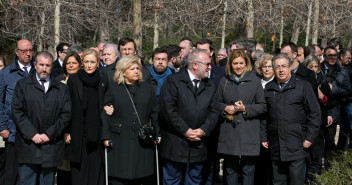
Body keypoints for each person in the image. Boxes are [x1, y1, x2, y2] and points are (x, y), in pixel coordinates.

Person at [159, 49, 220, 185]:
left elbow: (215, 111)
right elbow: (168, 110)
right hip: (175, 144)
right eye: (207, 64)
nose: (210, 67)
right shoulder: (173, 81)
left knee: (194, 180)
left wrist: (203, 130)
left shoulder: (210, 85)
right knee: (172, 181)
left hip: (199, 145)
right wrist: (185, 130)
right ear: (195, 65)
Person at [11, 51, 71, 185]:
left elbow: (66, 114)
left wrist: (49, 134)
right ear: (35, 65)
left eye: (48, 65)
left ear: (52, 67)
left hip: (51, 146)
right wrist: (32, 134)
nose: (44, 69)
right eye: (41, 65)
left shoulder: (61, 88)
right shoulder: (23, 85)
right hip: (28, 145)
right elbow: (16, 111)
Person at [261, 53, 321, 185]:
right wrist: (263, 137)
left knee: (296, 181)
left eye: (283, 66)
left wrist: (310, 138)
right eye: (277, 67)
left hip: (297, 144)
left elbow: (315, 113)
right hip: (276, 145)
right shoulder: (269, 89)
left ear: (290, 68)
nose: (281, 70)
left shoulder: (303, 86)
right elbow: (265, 116)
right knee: (278, 181)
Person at [101, 55, 160, 185]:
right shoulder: (114, 88)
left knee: (141, 175)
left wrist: (158, 132)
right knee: (119, 176)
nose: (136, 71)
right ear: (123, 72)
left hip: (142, 139)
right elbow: (105, 113)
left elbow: (154, 112)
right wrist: (105, 135)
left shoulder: (147, 88)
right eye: (132, 69)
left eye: (137, 68)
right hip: (120, 138)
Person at [217, 49, 266, 185]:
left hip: (249, 131)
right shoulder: (224, 81)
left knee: (248, 170)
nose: (238, 66)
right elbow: (216, 103)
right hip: (229, 131)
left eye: (241, 63)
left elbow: (262, 106)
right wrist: (226, 108)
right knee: (230, 170)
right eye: (235, 63)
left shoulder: (255, 81)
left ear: (246, 63)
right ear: (230, 64)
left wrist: (245, 108)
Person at [64, 49, 104, 185]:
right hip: (78, 133)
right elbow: (67, 107)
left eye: (92, 62)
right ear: (82, 63)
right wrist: (66, 131)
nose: (89, 65)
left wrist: (109, 107)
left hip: (96, 134)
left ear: (98, 63)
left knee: (95, 174)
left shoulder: (102, 80)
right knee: (78, 175)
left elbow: (106, 101)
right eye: (86, 61)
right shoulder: (74, 80)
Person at [0, 39, 35, 185]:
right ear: (16, 52)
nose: (28, 54)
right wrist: (2, 127)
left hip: (33, 132)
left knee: (28, 175)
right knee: (11, 174)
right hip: (12, 131)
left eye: (30, 51)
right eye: (24, 51)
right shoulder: (6, 73)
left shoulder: (38, 70)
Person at [302, 55, 336, 183]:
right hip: (304, 121)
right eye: (310, 67)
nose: (313, 69)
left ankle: (313, 178)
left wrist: (323, 97)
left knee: (316, 152)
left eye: (316, 67)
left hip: (318, 121)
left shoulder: (322, 81)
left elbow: (331, 101)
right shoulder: (301, 81)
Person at [55, 51, 81, 185]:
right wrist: (65, 130)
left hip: (78, 130)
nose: (70, 66)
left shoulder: (83, 81)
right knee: (64, 168)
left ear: (79, 65)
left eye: (74, 63)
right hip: (63, 130)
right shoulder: (58, 82)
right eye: (68, 63)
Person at [253, 53, 274, 185]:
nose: (267, 69)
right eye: (264, 66)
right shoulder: (256, 83)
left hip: (271, 127)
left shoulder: (277, 84)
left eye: (270, 67)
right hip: (256, 126)